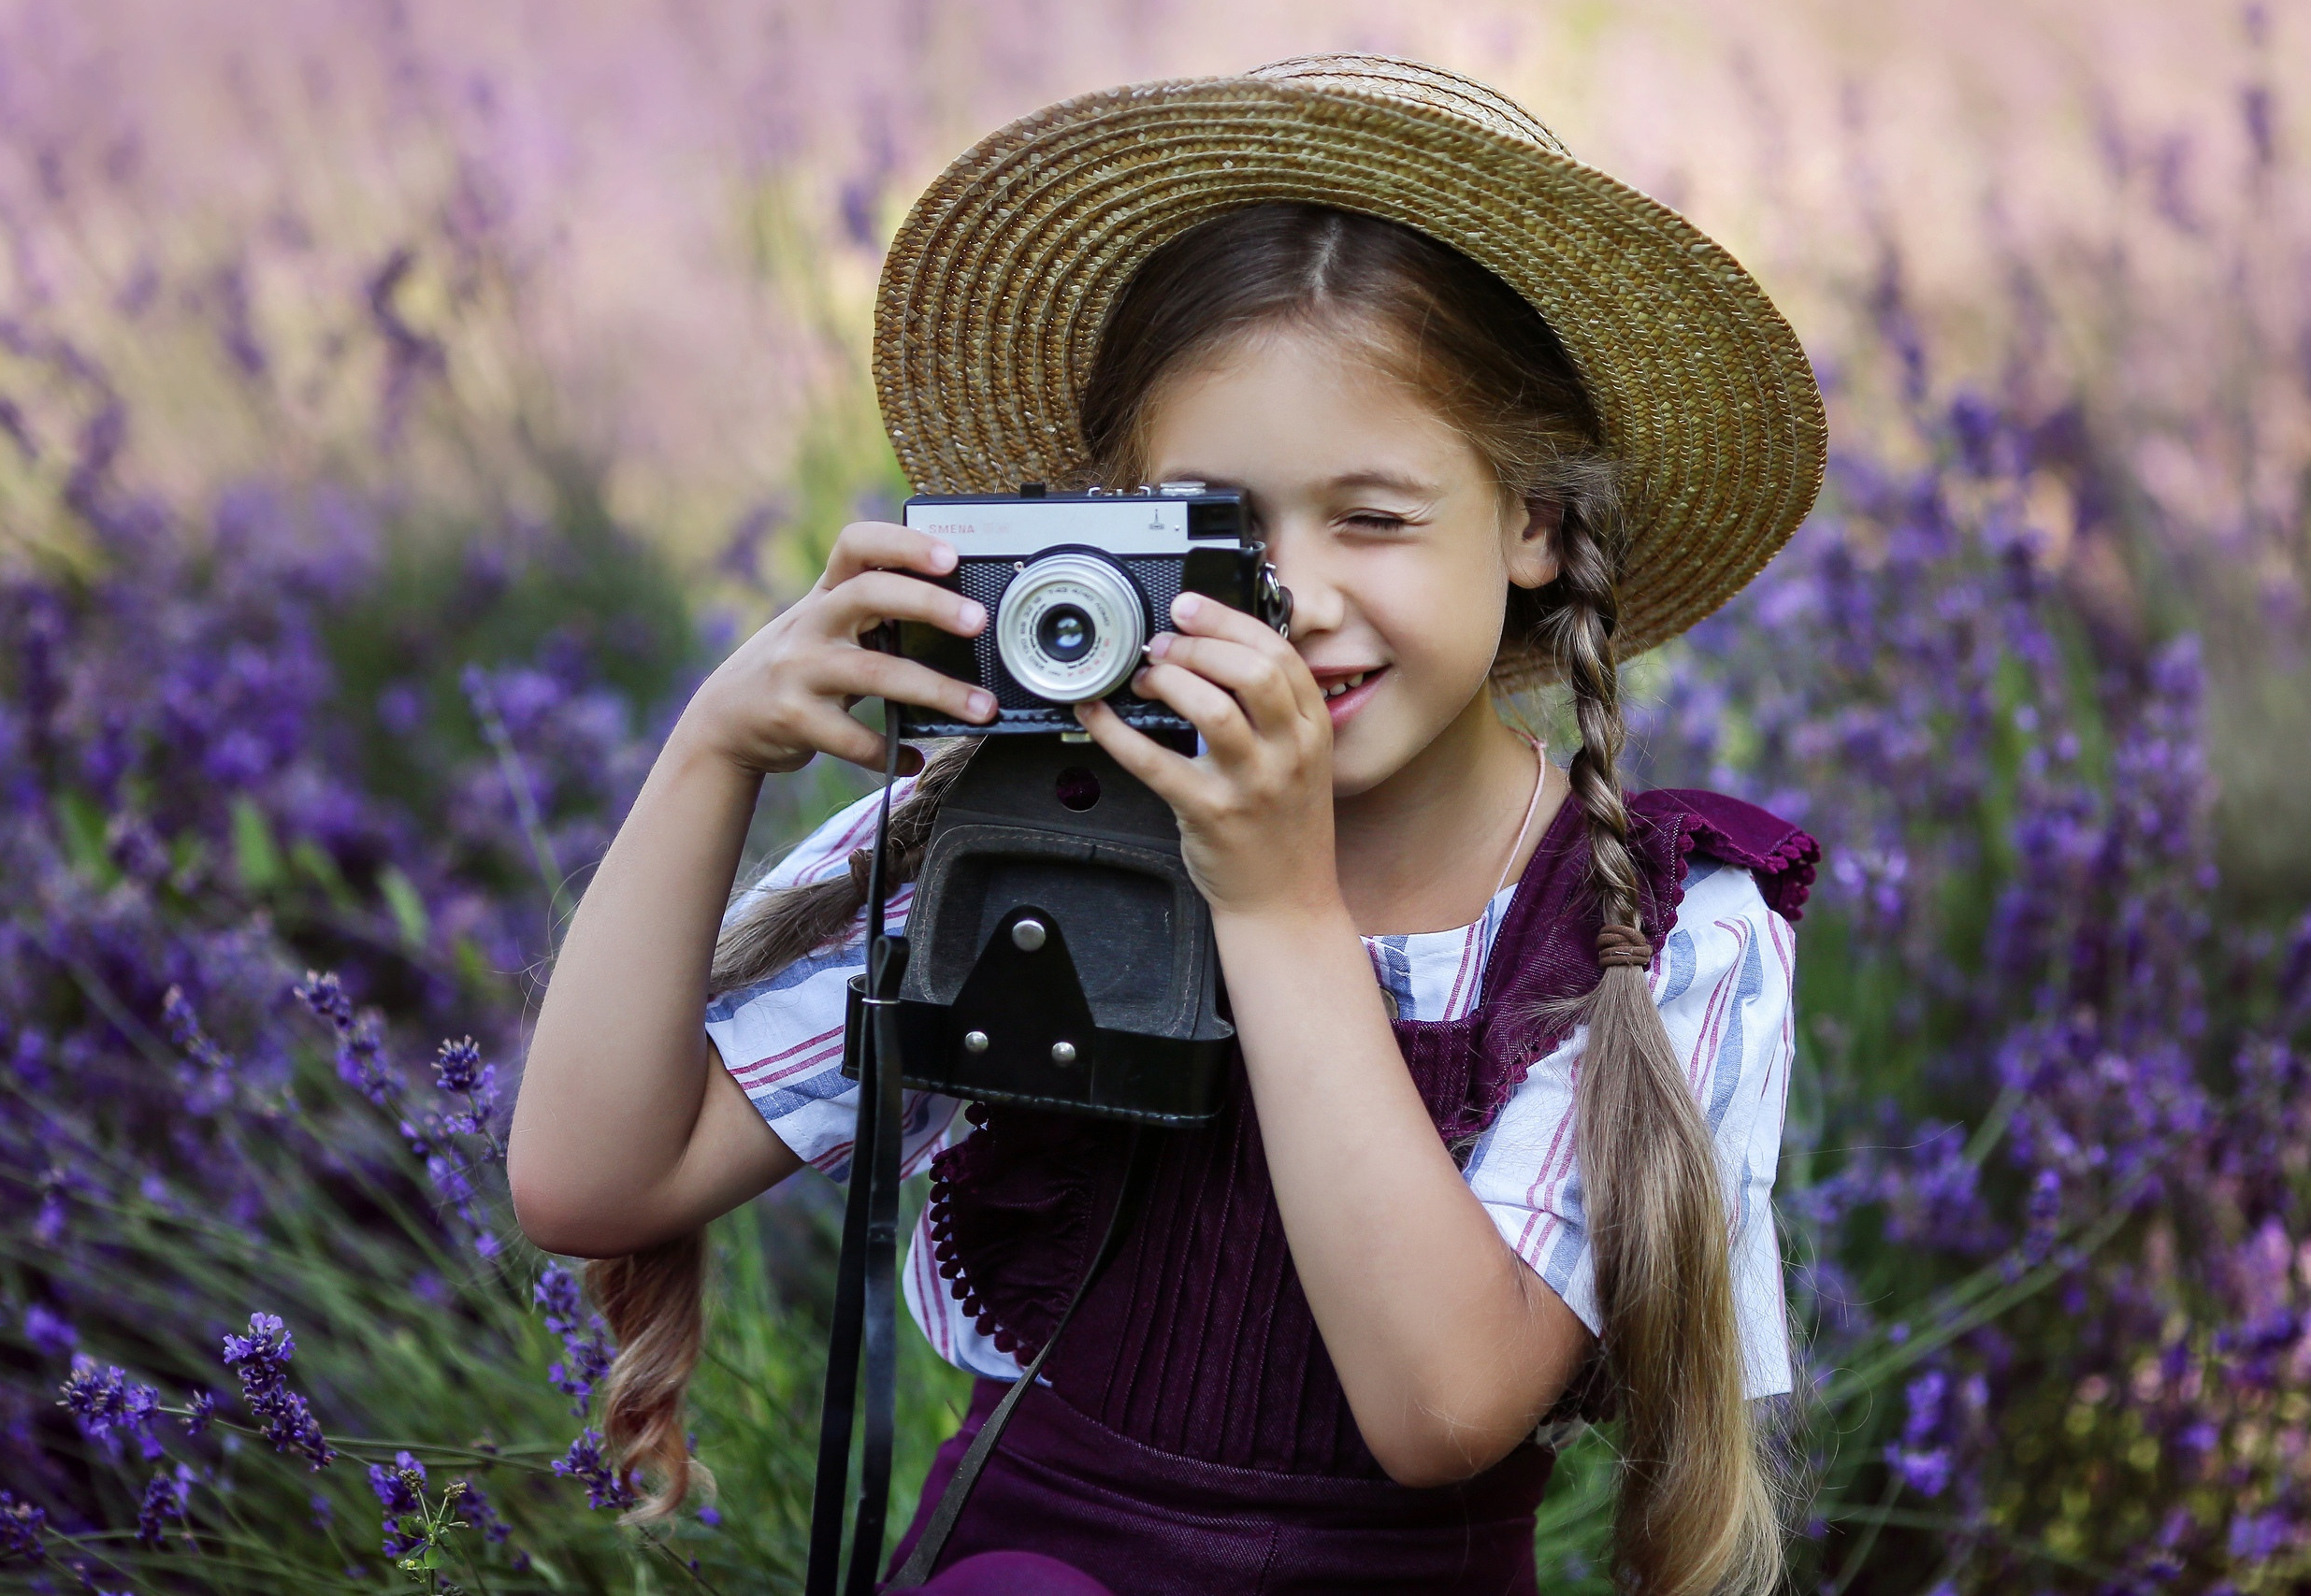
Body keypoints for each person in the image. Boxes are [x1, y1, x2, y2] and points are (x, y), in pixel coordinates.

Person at [510, 55, 1826, 1596]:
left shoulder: (1652, 930)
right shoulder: (1033, 828)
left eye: (1375, 517)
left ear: (1534, 523)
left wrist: (1276, 909)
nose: (1295, 601)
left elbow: (1442, 1409)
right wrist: (709, 755)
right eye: (1216, 523)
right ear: (1110, 526)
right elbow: (594, 1181)